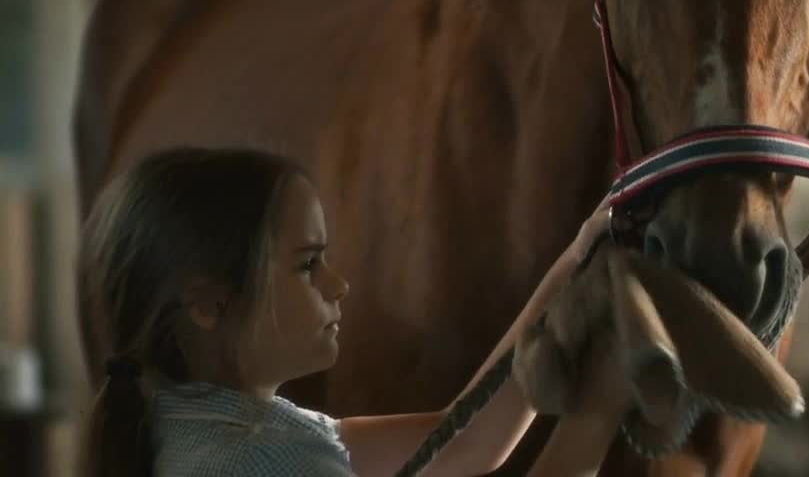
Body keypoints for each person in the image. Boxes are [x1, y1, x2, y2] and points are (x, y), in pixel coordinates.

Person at [78, 146, 611, 477]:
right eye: (308, 265)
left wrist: (578, 260)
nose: (339, 285)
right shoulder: (264, 461)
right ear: (210, 304)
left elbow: (467, 441)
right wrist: (606, 399)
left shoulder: (188, 421)